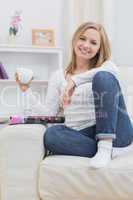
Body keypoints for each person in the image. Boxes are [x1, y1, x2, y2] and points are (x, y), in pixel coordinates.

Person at [16, 22, 133, 168]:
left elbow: (111, 72)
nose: (86, 45)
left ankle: (105, 144)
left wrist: (75, 81)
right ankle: (106, 151)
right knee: (51, 135)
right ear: (75, 40)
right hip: (81, 133)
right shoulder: (58, 76)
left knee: (104, 77)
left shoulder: (105, 67)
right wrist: (26, 91)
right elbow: (50, 113)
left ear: (99, 49)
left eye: (93, 42)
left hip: (116, 131)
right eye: (82, 38)